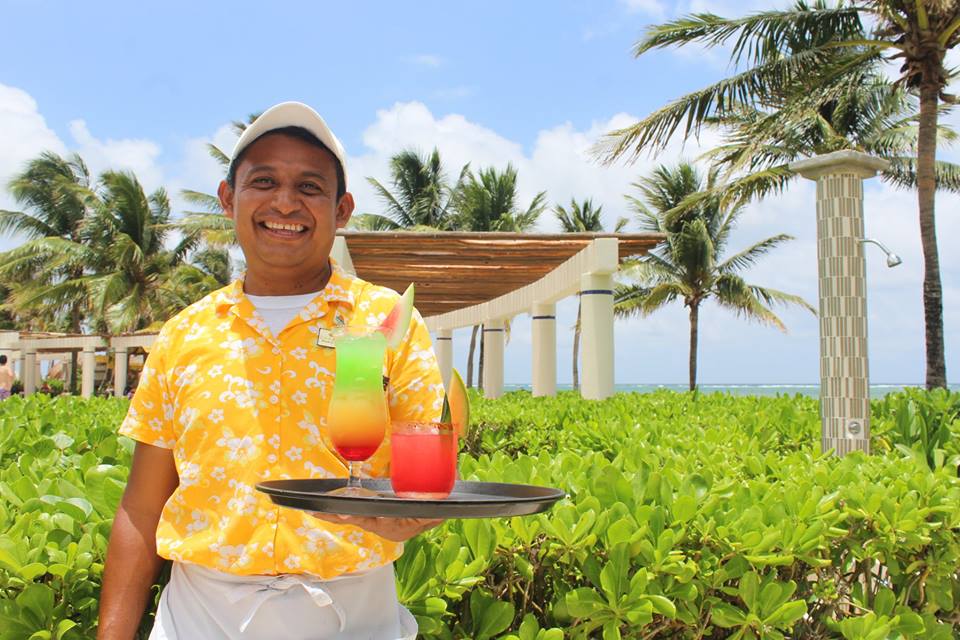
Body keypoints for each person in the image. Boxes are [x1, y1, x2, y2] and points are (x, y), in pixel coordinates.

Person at [97, 102, 446, 640]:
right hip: (199, 619)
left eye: (310, 187)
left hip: (356, 618)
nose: (286, 201)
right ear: (227, 198)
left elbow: (426, 472)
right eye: (264, 181)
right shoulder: (183, 335)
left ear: (343, 208)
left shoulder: (389, 322)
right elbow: (142, 509)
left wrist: (419, 514)